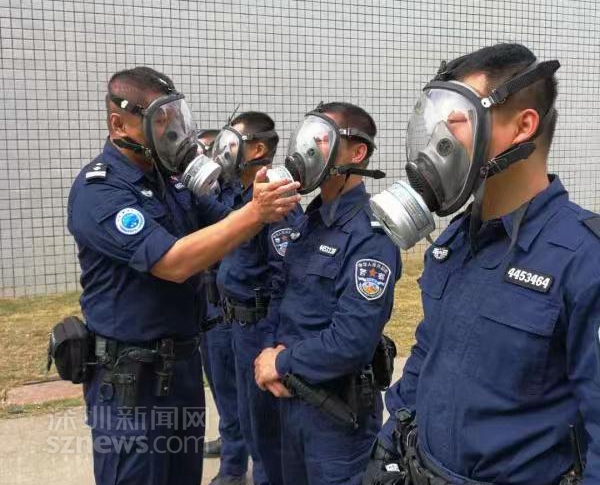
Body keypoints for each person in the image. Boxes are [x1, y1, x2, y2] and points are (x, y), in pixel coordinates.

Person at [362, 43, 600, 485]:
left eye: (457, 121)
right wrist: (390, 440)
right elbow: (428, 355)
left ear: (522, 126)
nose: (440, 140)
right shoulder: (454, 241)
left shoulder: (585, 259)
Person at [67, 67, 300, 485]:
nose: (173, 131)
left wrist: (258, 196)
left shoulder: (172, 183)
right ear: (119, 124)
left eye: (174, 118)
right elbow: (174, 263)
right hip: (130, 382)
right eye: (160, 121)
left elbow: (228, 226)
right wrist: (254, 213)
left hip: (181, 371)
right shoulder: (99, 191)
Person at [254, 102, 401, 485]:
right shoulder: (309, 222)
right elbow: (280, 295)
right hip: (289, 400)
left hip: (336, 418)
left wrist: (282, 363)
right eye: (308, 137)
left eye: (321, 139)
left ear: (357, 152)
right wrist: (268, 352)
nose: (308, 148)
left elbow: (352, 340)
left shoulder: (371, 235)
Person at [214, 111, 302, 485]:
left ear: (258, 149)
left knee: (265, 430)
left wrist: (271, 341)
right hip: (234, 324)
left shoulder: (275, 202)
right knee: (246, 418)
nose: (224, 150)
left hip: (258, 327)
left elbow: (286, 277)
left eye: (234, 142)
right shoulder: (241, 197)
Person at [195, 128, 250, 483]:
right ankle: (231, 439)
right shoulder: (208, 192)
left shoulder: (237, 196)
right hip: (204, 303)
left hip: (225, 309)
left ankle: (233, 466)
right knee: (216, 382)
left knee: (231, 389)